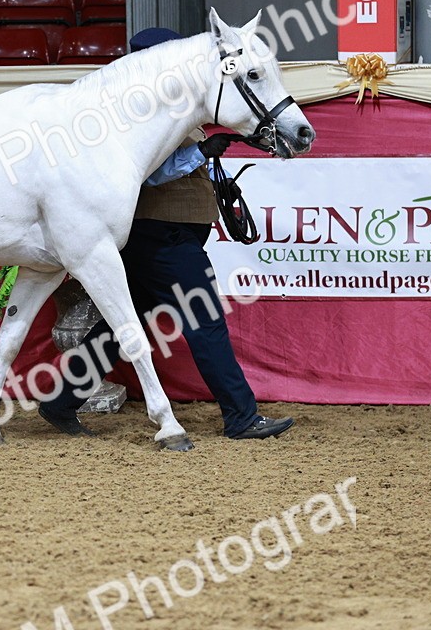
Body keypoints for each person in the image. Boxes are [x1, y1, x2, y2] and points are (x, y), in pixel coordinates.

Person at [38, 27, 294, 441]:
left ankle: (62, 399)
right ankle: (241, 415)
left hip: (165, 235)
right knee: (205, 317)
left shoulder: (173, 112)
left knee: (125, 325)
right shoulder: (137, 115)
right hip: (161, 234)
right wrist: (199, 152)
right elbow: (148, 173)